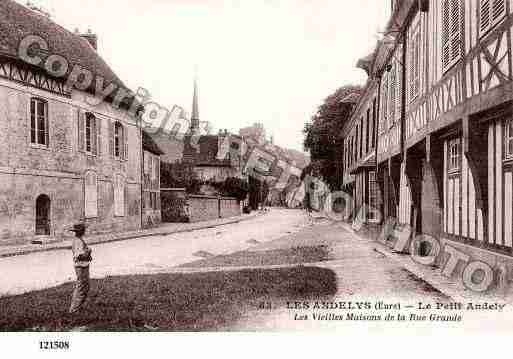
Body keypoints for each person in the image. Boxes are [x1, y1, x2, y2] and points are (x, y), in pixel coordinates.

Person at [68, 223, 92, 314]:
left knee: (85, 287)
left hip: (84, 265)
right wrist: (88, 253)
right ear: (80, 231)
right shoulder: (77, 241)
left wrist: (88, 255)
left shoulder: (79, 240)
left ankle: (78, 307)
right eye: (83, 230)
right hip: (80, 267)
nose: (84, 231)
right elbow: (79, 256)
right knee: (81, 287)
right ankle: (74, 309)